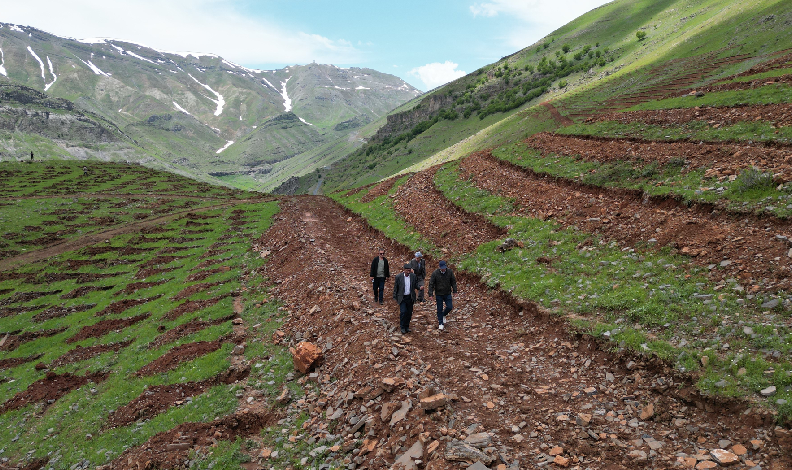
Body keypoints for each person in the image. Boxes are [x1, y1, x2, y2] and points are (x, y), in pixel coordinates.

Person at [427, 260, 458, 331]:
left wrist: (455, 291)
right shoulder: (435, 273)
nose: (443, 269)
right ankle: (441, 323)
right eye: (442, 268)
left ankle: (444, 314)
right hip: (439, 294)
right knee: (439, 309)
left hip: (447, 293)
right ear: (439, 267)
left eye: (444, 267)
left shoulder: (449, 272)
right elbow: (431, 284)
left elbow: (453, 282)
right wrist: (430, 294)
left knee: (450, 307)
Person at [393, 263, 418, 334]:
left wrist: (419, 287)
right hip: (402, 298)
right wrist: (395, 297)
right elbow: (396, 287)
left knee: (409, 313)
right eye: (407, 270)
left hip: (410, 297)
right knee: (403, 312)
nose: (408, 272)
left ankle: (407, 326)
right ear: (404, 270)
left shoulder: (413, 276)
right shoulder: (398, 277)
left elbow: (415, 285)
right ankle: (402, 327)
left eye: (409, 270)